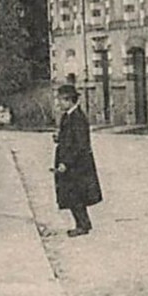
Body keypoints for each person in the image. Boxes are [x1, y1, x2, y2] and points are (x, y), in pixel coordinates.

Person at [53, 81, 101, 236]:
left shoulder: (77, 118)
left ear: (69, 100)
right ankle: (82, 224)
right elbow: (69, 139)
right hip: (73, 163)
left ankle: (82, 225)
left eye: (60, 100)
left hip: (77, 165)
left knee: (76, 195)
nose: (58, 103)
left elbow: (80, 145)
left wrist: (65, 163)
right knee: (73, 194)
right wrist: (59, 137)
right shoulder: (69, 116)